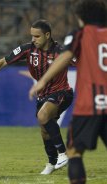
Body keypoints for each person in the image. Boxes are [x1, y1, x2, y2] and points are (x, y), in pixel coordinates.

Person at [0, 19, 74, 175]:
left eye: (37, 36)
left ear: (47, 35)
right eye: (32, 36)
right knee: (44, 130)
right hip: (43, 95)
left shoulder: (61, 52)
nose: (33, 39)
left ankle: (63, 154)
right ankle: (51, 163)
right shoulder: (28, 50)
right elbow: (3, 62)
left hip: (62, 92)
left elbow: (84, 64)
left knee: (43, 115)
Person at [29, 0, 107, 183]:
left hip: (90, 105)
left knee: (73, 151)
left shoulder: (80, 34)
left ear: (82, 18)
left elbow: (66, 56)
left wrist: (43, 80)